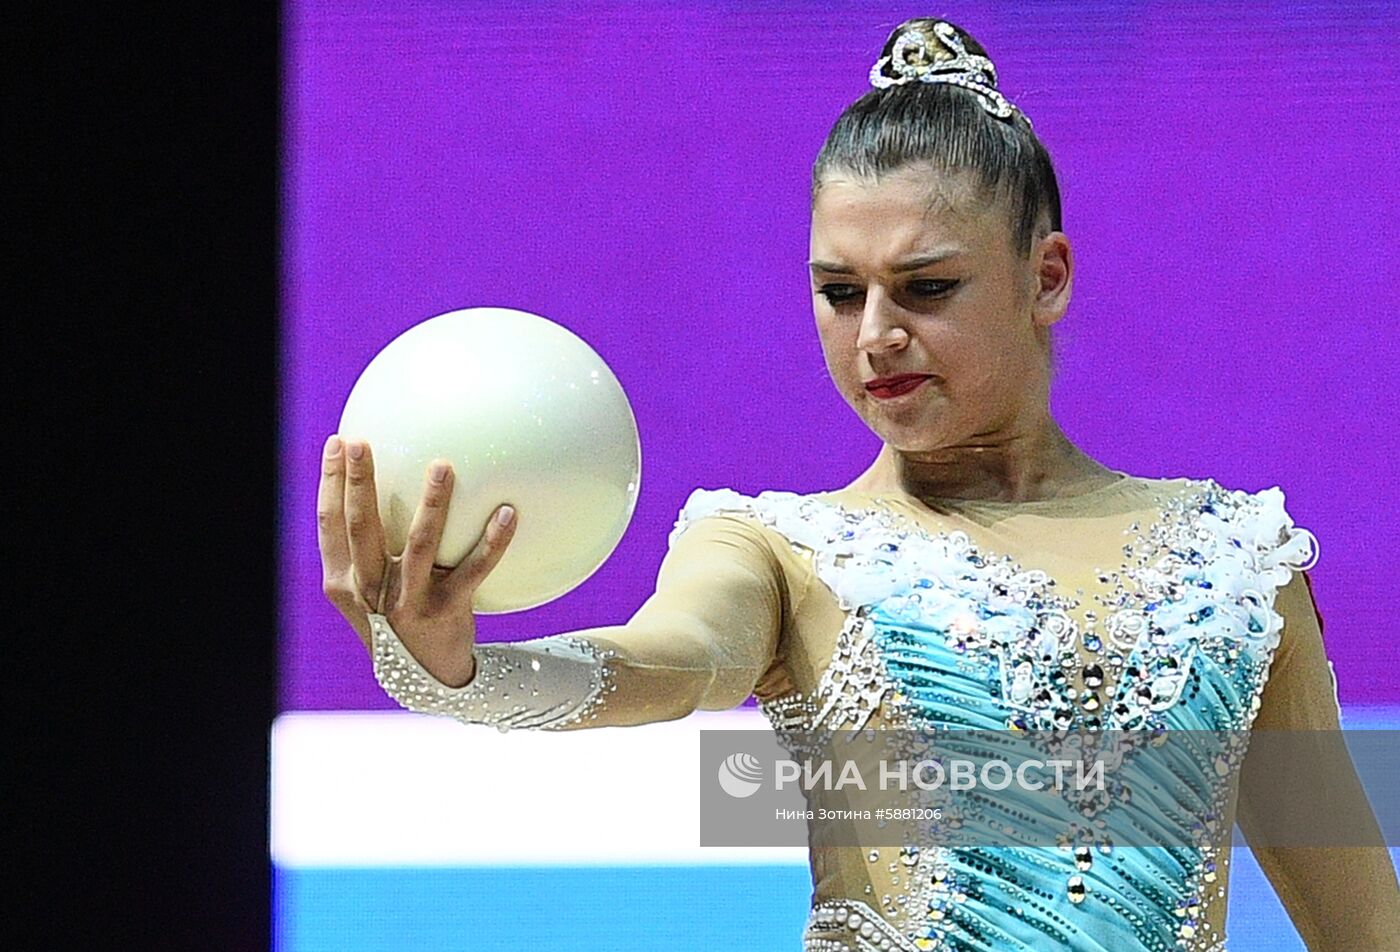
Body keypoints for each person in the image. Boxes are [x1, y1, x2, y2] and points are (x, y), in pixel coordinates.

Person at [316, 17, 1399, 951]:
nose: (875, 336)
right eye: (838, 291)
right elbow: (668, 661)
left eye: (925, 287)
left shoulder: (1233, 565)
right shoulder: (777, 548)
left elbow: (1364, 928)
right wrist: (465, 673)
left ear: (1046, 276)